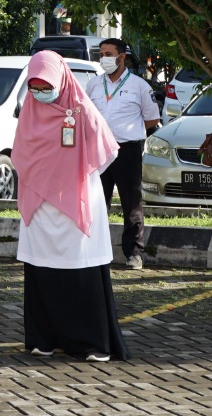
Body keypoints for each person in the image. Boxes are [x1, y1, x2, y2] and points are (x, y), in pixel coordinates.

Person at [14, 50, 128, 362]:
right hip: (39, 206)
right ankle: (44, 338)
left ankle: (91, 342)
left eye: (46, 87)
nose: (41, 93)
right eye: (35, 87)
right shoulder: (29, 111)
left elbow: (107, 152)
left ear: (61, 80)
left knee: (81, 272)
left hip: (75, 201)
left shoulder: (81, 108)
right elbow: (20, 155)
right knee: (42, 271)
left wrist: (73, 175)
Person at [83, 38, 160, 270]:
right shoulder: (93, 85)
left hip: (127, 150)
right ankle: (95, 251)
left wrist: (128, 131)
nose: (103, 59)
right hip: (98, 150)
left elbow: (152, 118)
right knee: (97, 202)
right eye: (101, 54)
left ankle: (134, 253)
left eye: (108, 54)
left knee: (131, 203)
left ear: (121, 57)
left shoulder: (139, 86)